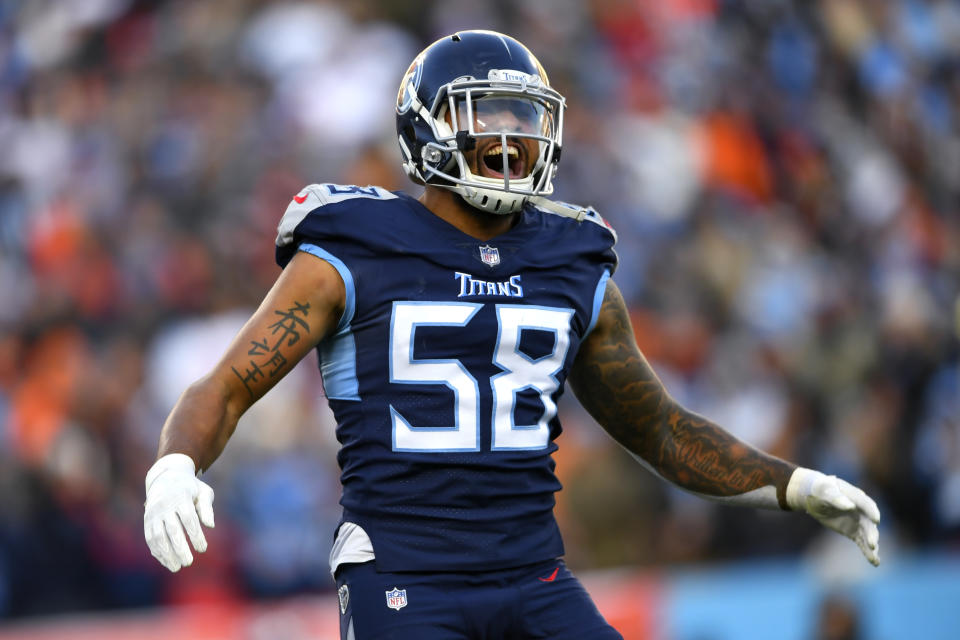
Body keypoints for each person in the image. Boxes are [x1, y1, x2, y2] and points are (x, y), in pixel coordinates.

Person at [144, 30, 881, 639]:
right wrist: (177, 464)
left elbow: (658, 428)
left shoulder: (572, 258)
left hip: (534, 576)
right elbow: (228, 385)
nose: (509, 140)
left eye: (523, 119)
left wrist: (795, 485)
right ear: (425, 130)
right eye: (484, 117)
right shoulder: (352, 248)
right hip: (404, 577)